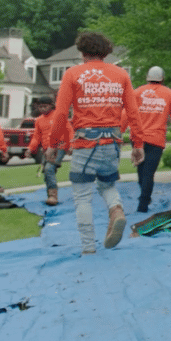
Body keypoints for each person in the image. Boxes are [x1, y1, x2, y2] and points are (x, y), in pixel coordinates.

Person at [48, 32, 142, 255]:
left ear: (82, 52)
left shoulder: (73, 74)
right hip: (112, 139)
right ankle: (116, 209)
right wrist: (138, 144)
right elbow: (133, 112)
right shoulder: (121, 74)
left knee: (82, 195)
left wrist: (54, 143)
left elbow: (61, 113)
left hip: (85, 140)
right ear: (107, 52)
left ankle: (89, 247)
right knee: (107, 185)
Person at [131, 66, 171, 213]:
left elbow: (126, 113)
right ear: (162, 78)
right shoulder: (169, 94)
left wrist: (120, 131)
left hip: (138, 139)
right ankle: (143, 204)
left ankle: (144, 196)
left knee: (141, 171)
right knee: (149, 173)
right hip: (156, 140)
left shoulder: (137, 92)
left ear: (147, 77)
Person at [26, 95, 71, 206]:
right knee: (47, 172)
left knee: (49, 168)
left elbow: (69, 130)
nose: (42, 109)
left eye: (45, 106)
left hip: (59, 146)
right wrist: (30, 149)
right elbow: (36, 137)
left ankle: (52, 196)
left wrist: (71, 145)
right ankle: (50, 195)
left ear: (51, 105)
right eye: (40, 107)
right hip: (46, 149)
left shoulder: (59, 116)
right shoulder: (39, 120)